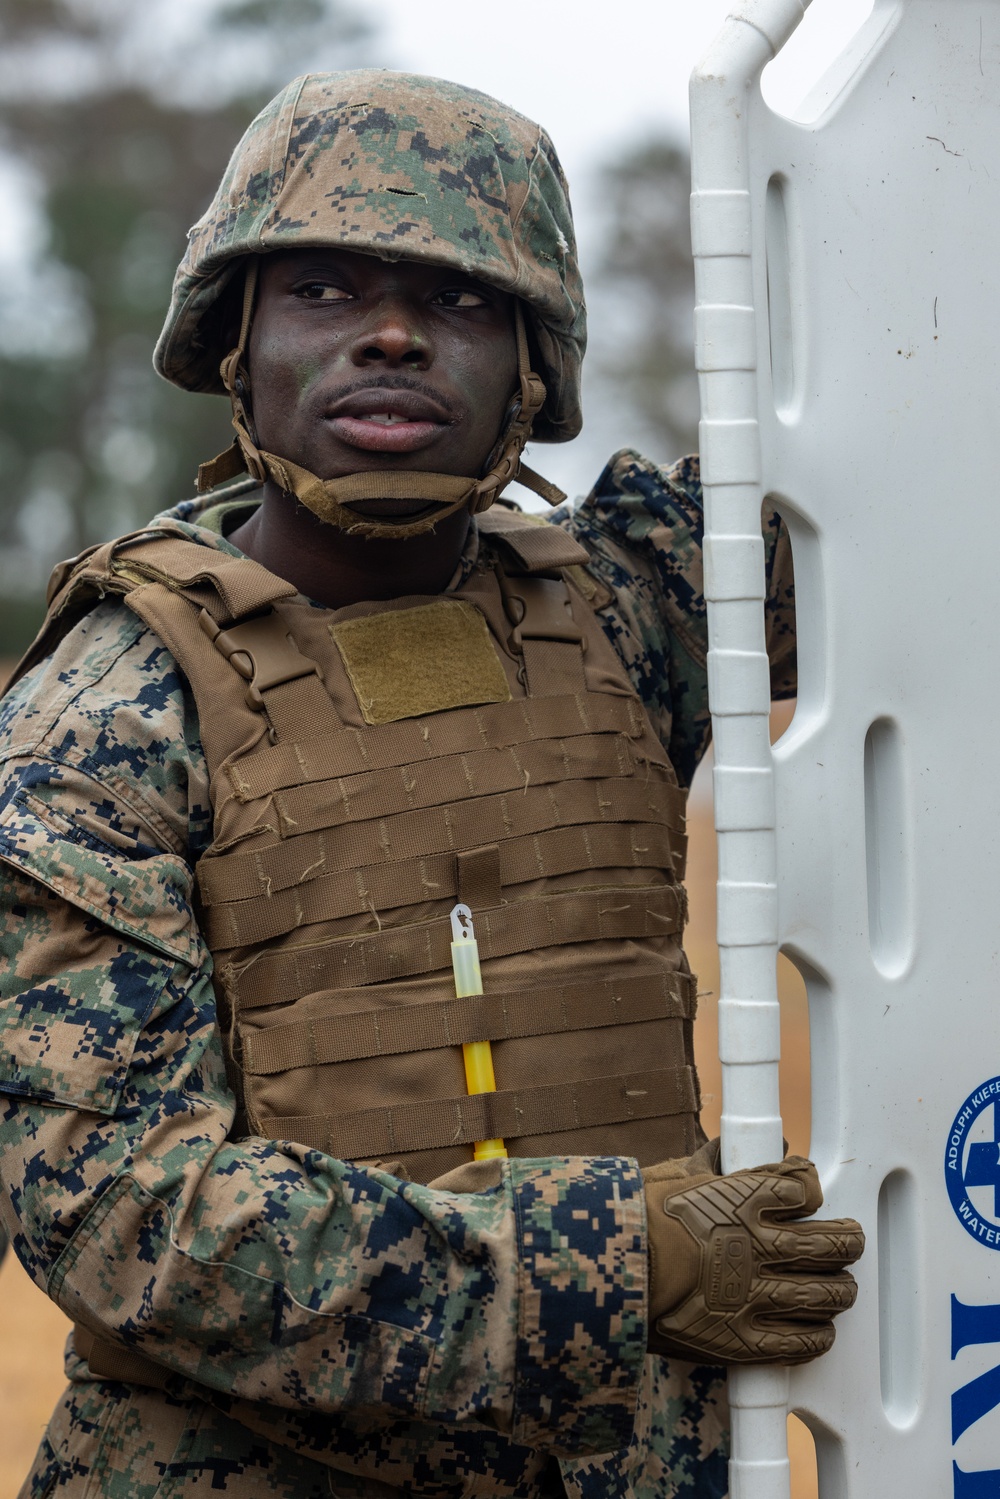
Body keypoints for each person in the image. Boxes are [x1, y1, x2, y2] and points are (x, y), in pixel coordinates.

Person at [0, 71, 862, 1499]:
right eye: (325, 290)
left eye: (460, 297)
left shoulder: (636, 600)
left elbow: (914, 496)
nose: (392, 334)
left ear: (533, 367)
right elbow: (123, 1216)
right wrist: (619, 1269)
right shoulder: (105, 720)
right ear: (238, 345)